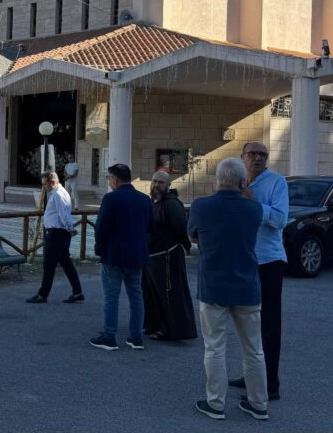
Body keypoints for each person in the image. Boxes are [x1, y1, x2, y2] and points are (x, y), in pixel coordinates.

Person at [189, 158, 269, 421]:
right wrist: (248, 193)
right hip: (247, 286)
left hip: (214, 286)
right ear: (242, 181)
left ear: (218, 179)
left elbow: (193, 235)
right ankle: (259, 404)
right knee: (254, 349)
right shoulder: (254, 209)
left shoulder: (202, 206)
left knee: (214, 348)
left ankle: (216, 403)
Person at [229, 141, 288, 401]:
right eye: (252, 154)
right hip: (244, 261)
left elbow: (279, 219)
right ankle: (252, 374)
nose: (257, 158)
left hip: (269, 263)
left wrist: (253, 203)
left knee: (269, 325)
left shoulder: (277, 183)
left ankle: (270, 384)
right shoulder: (237, 181)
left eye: (262, 154)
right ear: (242, 156)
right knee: (245, 321)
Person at [90, 163, 151, 351]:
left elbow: (101, 227)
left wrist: (99, 248)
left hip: (114, 255)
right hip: (137, 256)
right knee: (136, 297)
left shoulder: (111, 199)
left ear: (115, 179)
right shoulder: (144, 199)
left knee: (111, 297)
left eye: (109, 177)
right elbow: (150, 227)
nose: (109, 181)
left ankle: (109, 336)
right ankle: (136, 337)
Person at [142, 171, 197, 341]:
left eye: (161, 182)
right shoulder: (154, 203)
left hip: (167, 256)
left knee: (168, 293)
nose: (156, 185)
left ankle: (170, 329)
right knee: (152, 294)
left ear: (168, 185)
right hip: (152, 257)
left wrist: (186, 247)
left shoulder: (172, 204)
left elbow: (181, 228)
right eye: (154, 181)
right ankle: (155, 325)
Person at [26, 171, 84, 304]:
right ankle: (77, 291)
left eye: (45, 184)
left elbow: (63, 215)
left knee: (49, 265)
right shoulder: (61, 192)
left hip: (56, 234)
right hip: (59, 233)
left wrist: (69, 228)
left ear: (52, 182)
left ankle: (42, 295)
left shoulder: (57, 194)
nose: (43, 187)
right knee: (66, 263)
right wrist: (69, 229)